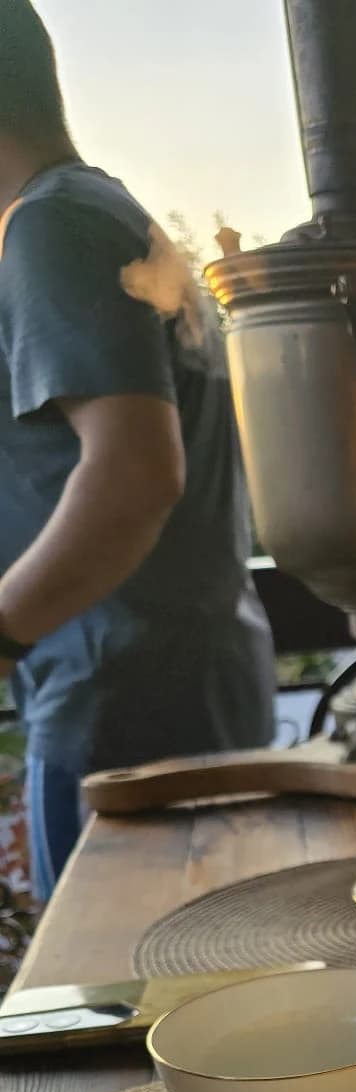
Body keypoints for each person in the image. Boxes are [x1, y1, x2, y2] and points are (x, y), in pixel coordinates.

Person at [0, 0, 275, 899]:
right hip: (192, 687)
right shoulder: (117, 219)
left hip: (113, 711)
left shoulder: (49, 227)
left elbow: (134, 474)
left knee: (111, 1018)